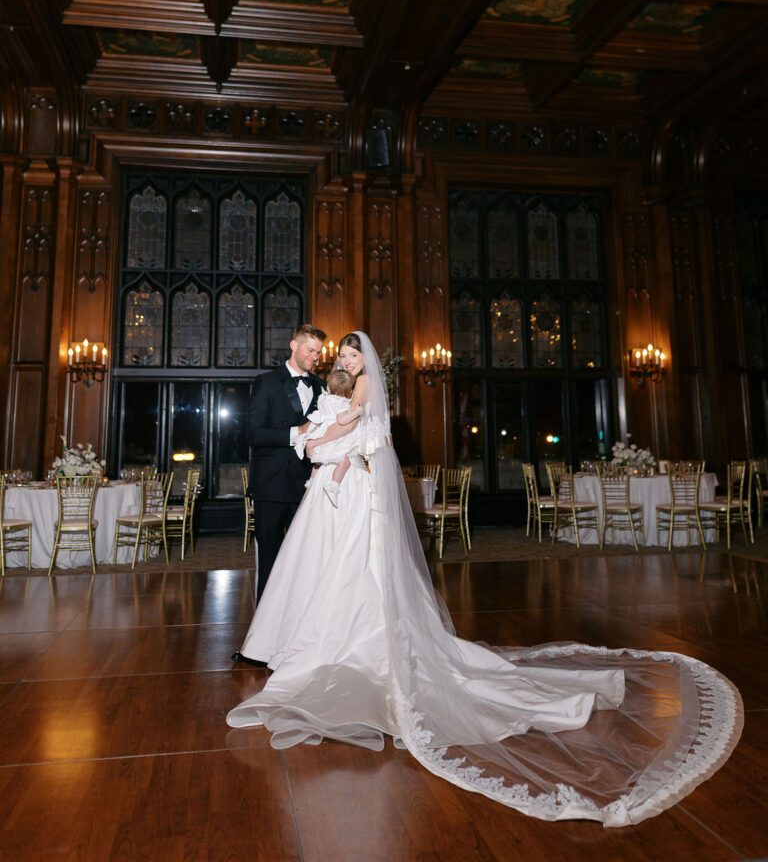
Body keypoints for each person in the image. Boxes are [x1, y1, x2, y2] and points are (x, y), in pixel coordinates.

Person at [228, 332, 743, 826]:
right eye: (340, 353)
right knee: (333, 574)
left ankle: (347, 650)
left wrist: (332, 449)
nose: (344, 359)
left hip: (354, 494)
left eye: (349, 353)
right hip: (337, 492)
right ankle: (318, 642)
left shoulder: (361, 393)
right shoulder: (333, 386)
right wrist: (326, 446)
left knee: (355, 576)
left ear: (367, 363)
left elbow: (368, 442)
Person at [242, 322, 325, 605]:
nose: (315, 357)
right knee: (270, 556)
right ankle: (264, 625)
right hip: (271, 486)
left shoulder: (322, 386)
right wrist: (296, 433)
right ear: (294, 345)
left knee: (307, 557)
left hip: (308, 487)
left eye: (318, 352)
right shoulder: (266, 382)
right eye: (310, 350)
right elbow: (253, 434)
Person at [294, 367, 362, 507]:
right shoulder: (341, 403)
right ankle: (333, 486)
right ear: (349, 392)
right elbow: (342, 420)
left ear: (329, 389)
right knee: (344, 462)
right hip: (331, 441)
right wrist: (356, 412)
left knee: (318, 463)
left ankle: (311, 481)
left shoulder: (323, 399)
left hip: (320, 435)